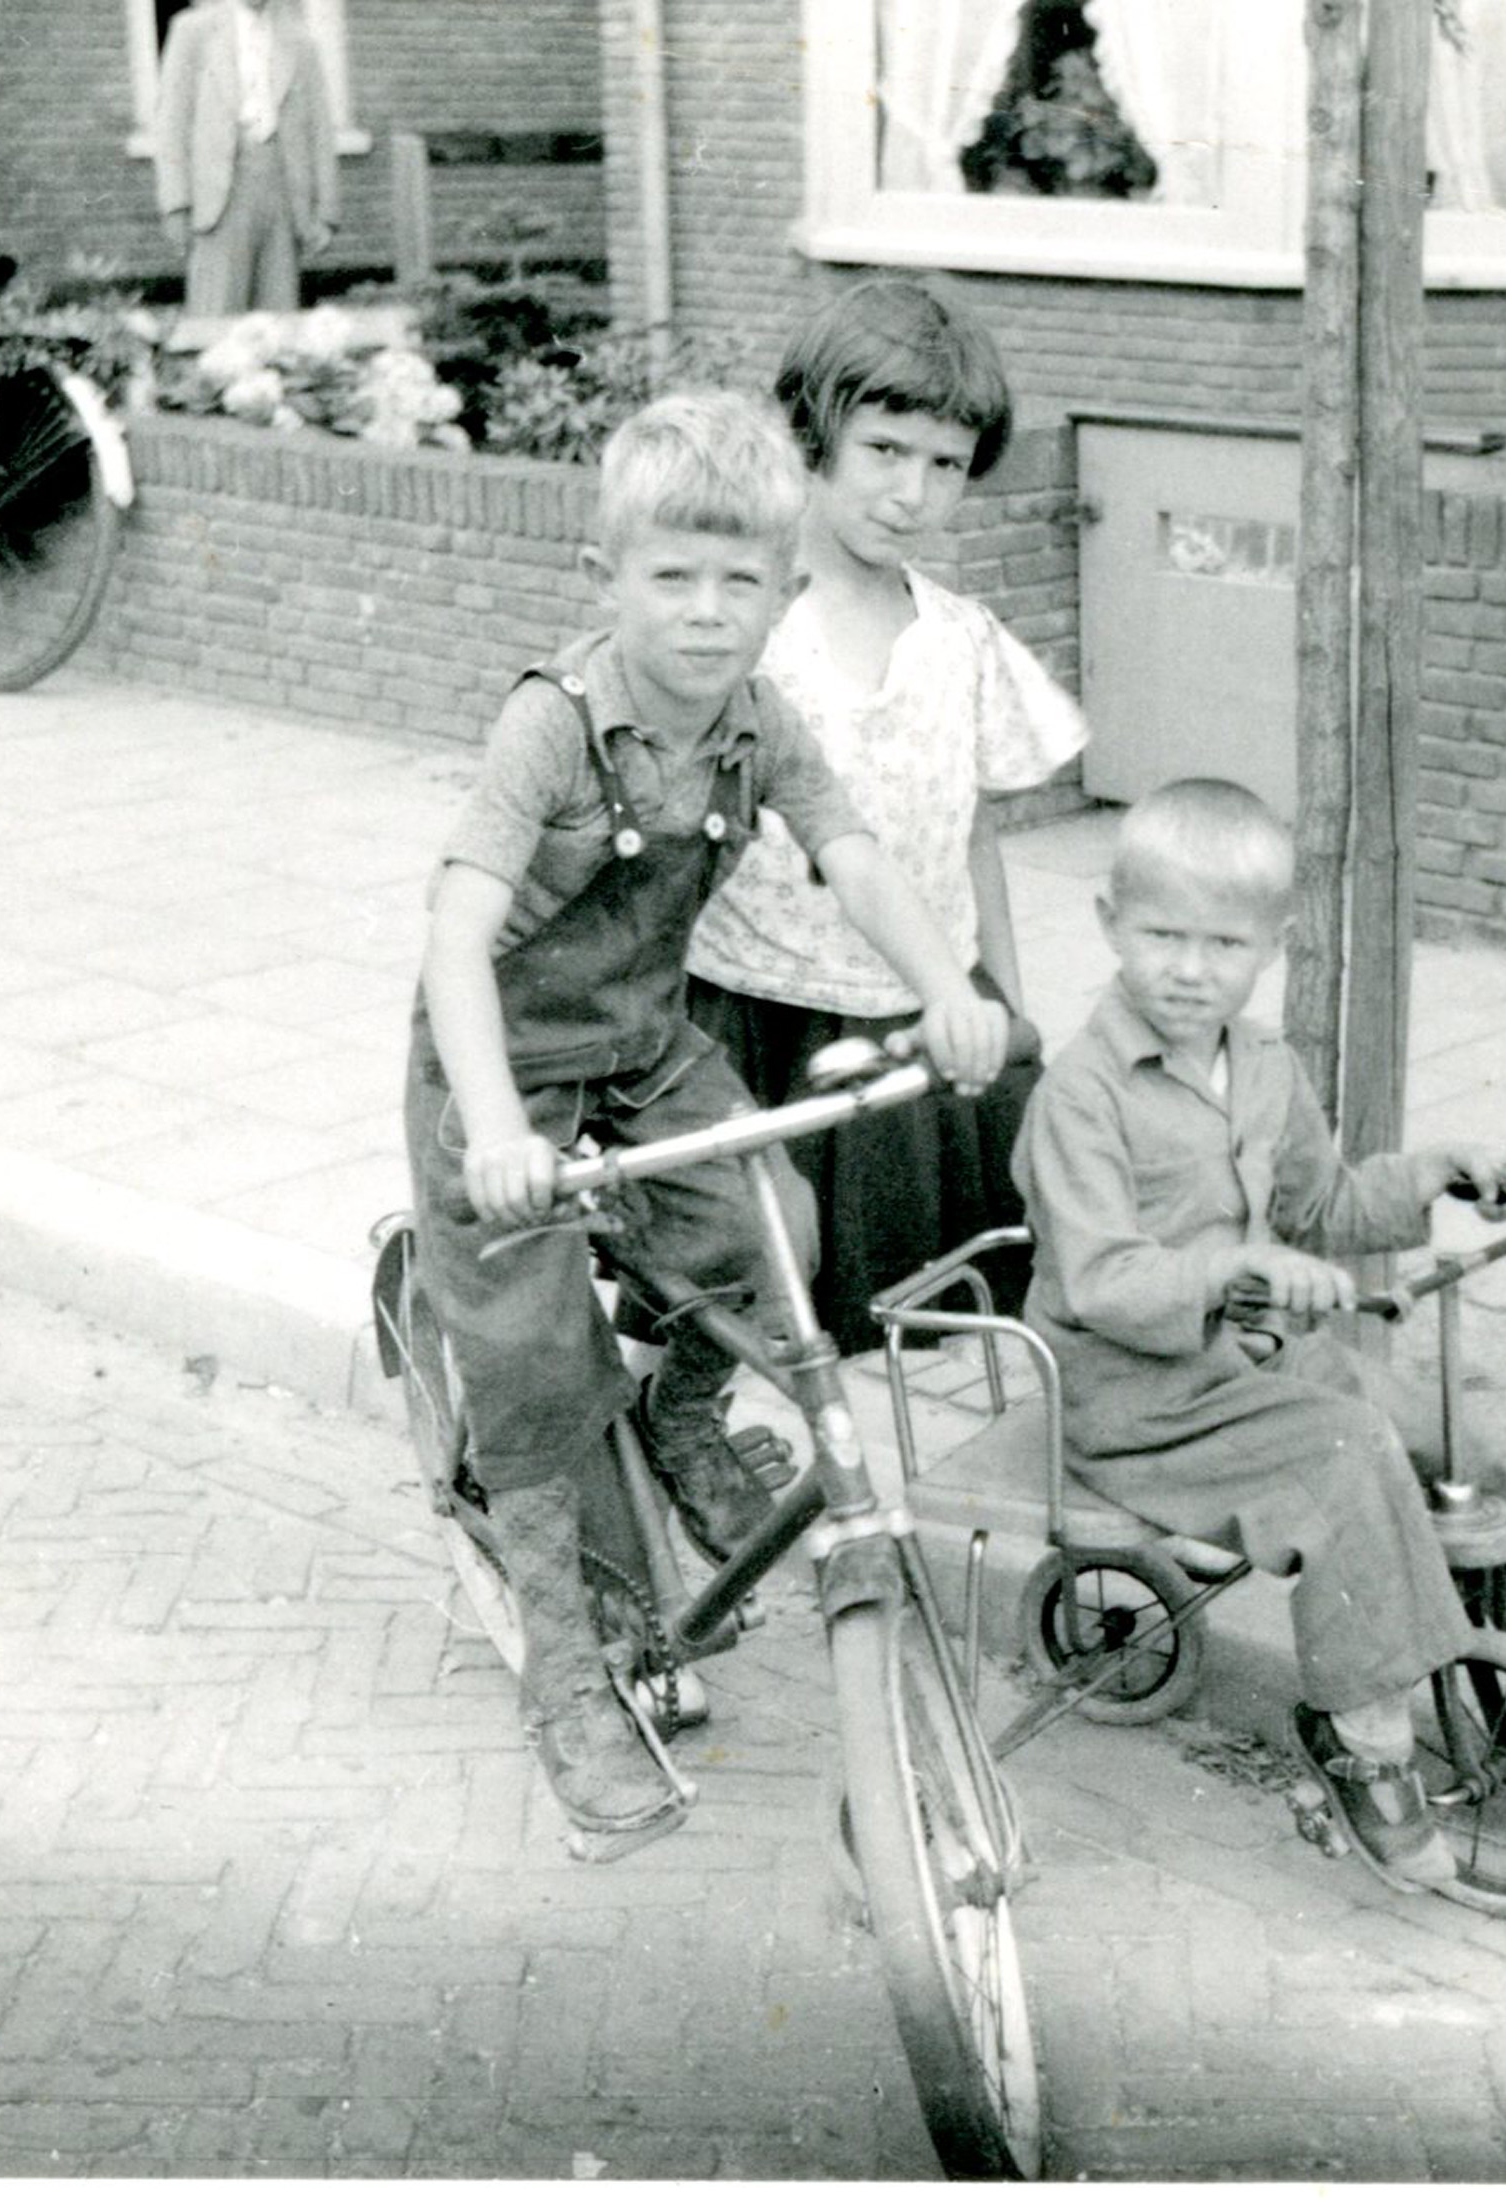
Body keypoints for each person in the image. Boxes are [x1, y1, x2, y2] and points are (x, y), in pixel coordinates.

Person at [407, 389, 1009, 1856]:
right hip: (504, 1072)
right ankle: (566, 1681)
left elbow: (856, 858)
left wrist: (950, 987)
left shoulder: (756, 722)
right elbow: (452, 942)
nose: (702, 612)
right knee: (537, 1371)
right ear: (606, 577)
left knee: (774, 1227)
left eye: (739, 581)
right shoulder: (550, 725)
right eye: (669, 577)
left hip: (640, 1048)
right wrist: (493, 1128)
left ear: (782, 592)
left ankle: (678, 1414)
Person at [1014, 777, 1506, 1892]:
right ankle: (1360, 1736)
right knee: (1346, 1456)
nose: (1187, 967)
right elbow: (1105, 1278)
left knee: (1453, 1428)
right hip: (1136, 1396)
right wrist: (1238, 1268)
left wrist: (1435, 1173)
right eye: (1161, 935)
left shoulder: (1261, 1065)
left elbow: (1321, 1207)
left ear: (1269, 944)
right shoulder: (1079, 1094)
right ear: (1109, 924)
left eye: (1221, 942)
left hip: (1256, 1364)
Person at [687, 278, 1087, 1355]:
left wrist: (1004, 1003)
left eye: (944, 464)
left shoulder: (959, 639)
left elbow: (971, 836)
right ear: (815, 432)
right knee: (744, 1296)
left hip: (921, 1010)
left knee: (919, 1312)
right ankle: (681, 1432)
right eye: (884, 450)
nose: (911, 492)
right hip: (763, 1012)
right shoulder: (745, 624)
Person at [153, 0, 338, 317]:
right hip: (218, 199)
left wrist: (327, 211)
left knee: (278, 322)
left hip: (283, 196)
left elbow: (320, 130)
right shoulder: (193, 31)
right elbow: (172, 121)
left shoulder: (300, 40)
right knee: (216, 318)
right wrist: (176, 203)